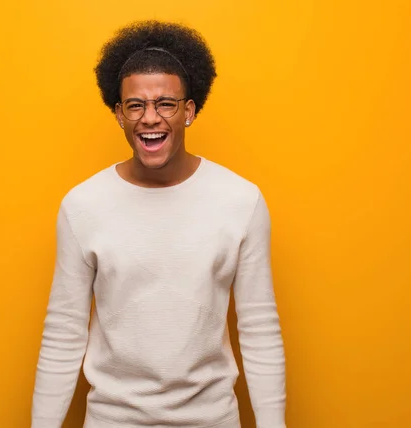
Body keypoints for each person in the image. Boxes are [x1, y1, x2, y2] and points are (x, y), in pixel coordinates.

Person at [31, 20, 286, 428]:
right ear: (119, 114)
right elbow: (63, 334)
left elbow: (259, 329)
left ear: (189, 110)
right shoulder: (83, 205)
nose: (150, 117)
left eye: (165, 103)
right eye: (135, 105)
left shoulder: (241, 201)